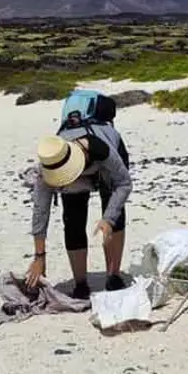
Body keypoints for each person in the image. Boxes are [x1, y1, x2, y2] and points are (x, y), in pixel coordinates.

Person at [28, 124, 133, 299]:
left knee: (114, 210)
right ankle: (80, 283)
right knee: (73, 220)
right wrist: (39, 257)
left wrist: (108, 219)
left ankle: (113, 275)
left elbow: (124, 183)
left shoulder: (100, 149)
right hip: (77, 163)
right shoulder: (47, 168)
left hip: (104, 163)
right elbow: (40, 211)